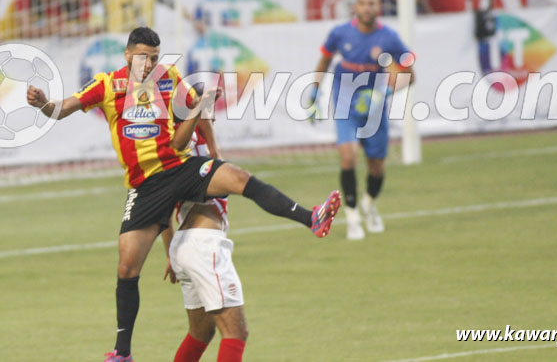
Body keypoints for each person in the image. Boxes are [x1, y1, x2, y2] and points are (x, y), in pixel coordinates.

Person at [26, 27, 341, 361]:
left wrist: (216, 157)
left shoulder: (170, 77)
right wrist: (42, 103)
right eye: (143, 57)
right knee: (127, 267)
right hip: (146, 186)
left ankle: (312, 217)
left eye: (155, 58)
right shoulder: (107, 84)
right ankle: (122, 352)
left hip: (180, 166)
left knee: (240, 178)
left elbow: (199, 113)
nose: (149, 65)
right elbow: (61, 109)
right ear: (128, 54)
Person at [309, 0, 413, 240]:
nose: (367, 8)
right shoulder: (340, 33)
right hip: (345, 101)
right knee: (348, 156)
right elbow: (324, 60)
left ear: (379, 8)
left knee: (376, 166)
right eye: (363, 3)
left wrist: (383, 94)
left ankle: (370, 204)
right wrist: (314, 92)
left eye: (372, 4)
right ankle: (353, 216)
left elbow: (410, 74)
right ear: (355, 7)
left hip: (374, 108)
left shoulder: (390, 39)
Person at [162, 117, 249, 362]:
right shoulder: (188, 145)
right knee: (236, 332)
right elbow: (198, 113)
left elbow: (165, 213)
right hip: (204, 245)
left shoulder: (166, 158)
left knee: (200, 333)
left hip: (183, 246)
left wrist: (170, 253)